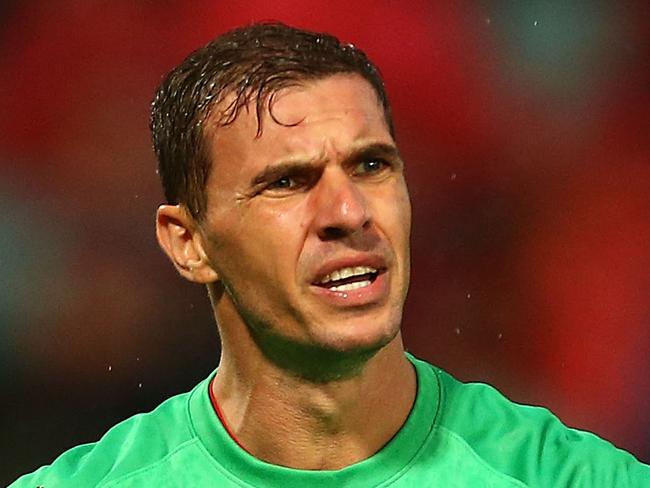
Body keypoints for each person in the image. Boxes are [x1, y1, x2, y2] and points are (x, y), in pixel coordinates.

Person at [11, 22, 649, 487]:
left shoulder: (563, 478)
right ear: (189, 243)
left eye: (372, 165)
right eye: (287, 181)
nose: (348, 213)